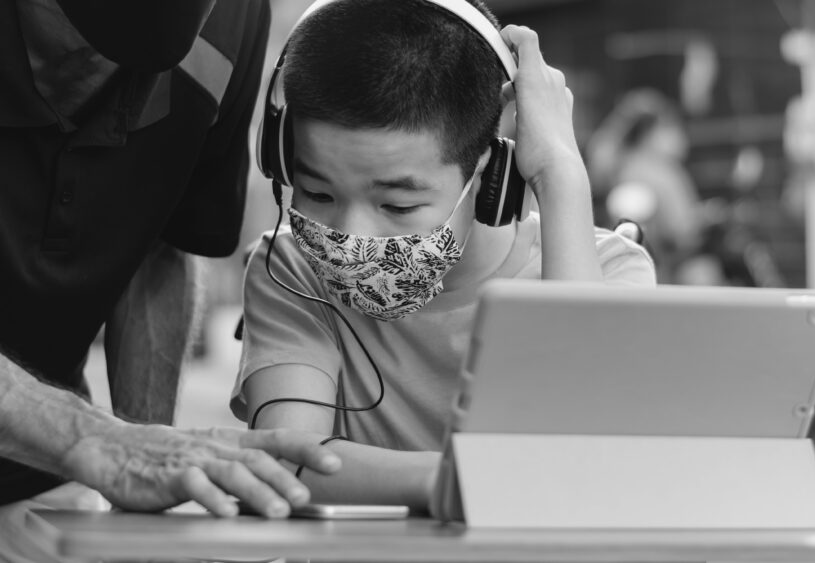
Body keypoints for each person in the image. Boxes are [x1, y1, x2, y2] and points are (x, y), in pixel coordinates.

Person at [230, 0, 656, 517]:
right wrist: (470, 481)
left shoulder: (608, 268)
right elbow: (285, 459)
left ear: (492, 178)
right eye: (317, 193)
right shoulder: (291, 271)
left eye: (398, 205)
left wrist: (561, 174)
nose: (350, 235)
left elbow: (583, 455)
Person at [0, 1, 342, 560]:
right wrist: (91, 439)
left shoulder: (233, 21)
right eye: (72, 44)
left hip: (42, 477)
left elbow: (157, 249)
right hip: (67, 442)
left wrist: (141, 484)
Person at [586, 88, 704, 283]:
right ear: (653, 131)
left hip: (621, 265)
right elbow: (682, 232)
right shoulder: (662, 173)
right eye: (673, 127)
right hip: (667, 270)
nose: (681, 137)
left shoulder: (620, 167)